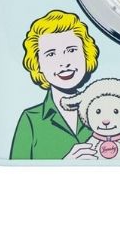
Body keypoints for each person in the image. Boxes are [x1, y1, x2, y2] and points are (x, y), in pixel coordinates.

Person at [10, 10, 99, 160]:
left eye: (71, 50)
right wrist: (65, 164)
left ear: (86, 54)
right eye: (51, 54)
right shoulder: (31, 120)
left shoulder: (105, 111)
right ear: (38, 64)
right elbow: (16, 169)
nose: (64, 62)